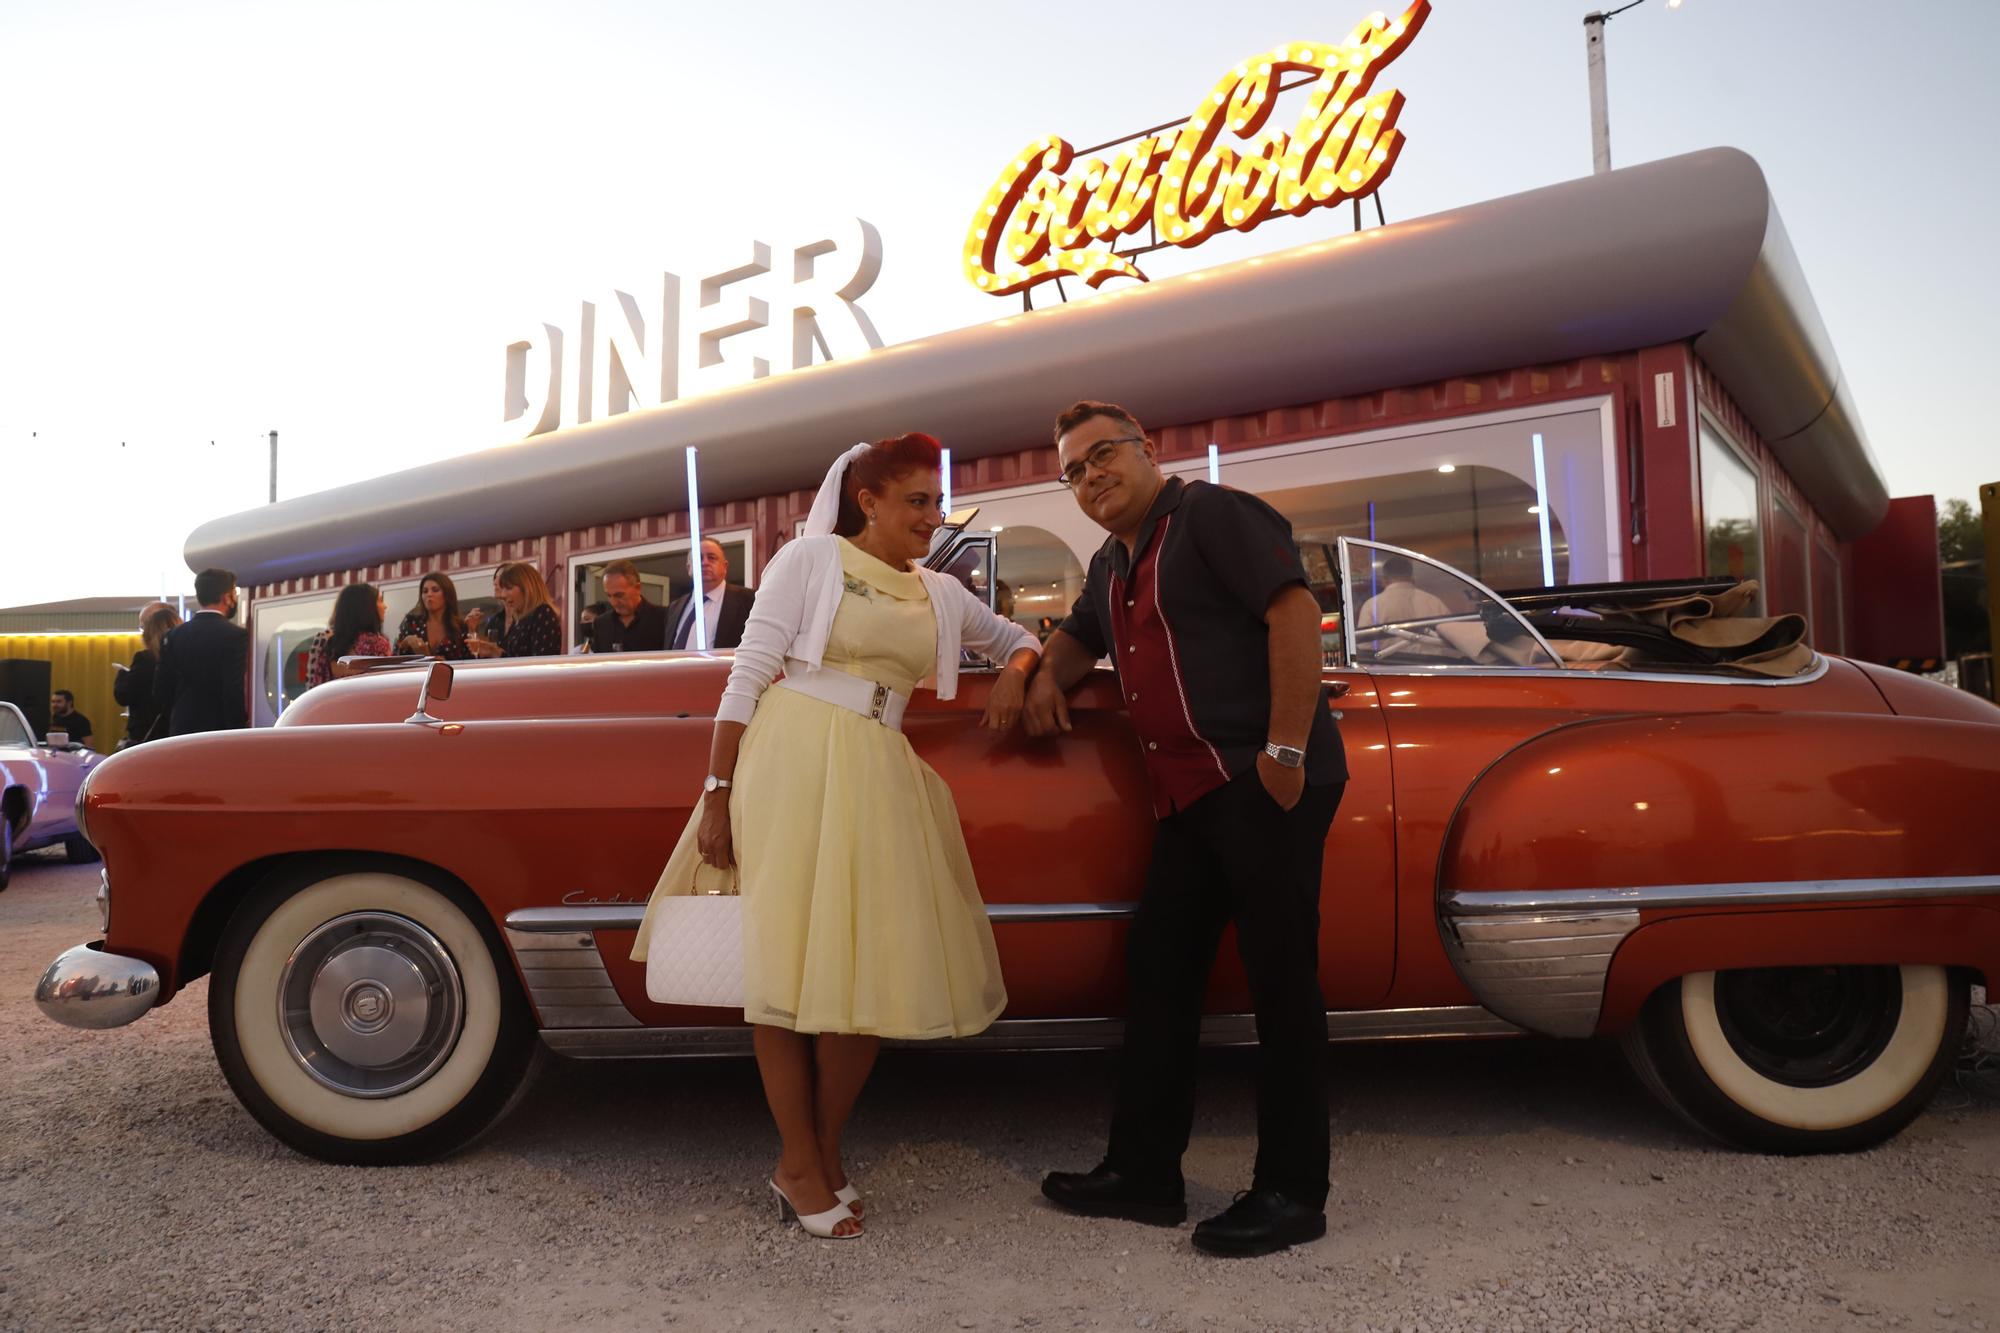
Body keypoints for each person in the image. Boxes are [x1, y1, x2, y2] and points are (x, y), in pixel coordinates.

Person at [631, 433, 1040, 1241]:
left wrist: (1021, 676)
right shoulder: (811, 559)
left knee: (869, 969)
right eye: (917, 500)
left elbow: (1017, 640)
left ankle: (814, 1154)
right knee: (783, 966)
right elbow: (747, 672)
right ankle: (801, 1159)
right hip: (789, 760)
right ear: (870, 500)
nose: (932, 516)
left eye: (936, 501)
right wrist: (716, 792)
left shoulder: (939, 590)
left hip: (880, 773)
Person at [1029, 402, 1347, 1259]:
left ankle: (1292, 1192)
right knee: (1160, 971)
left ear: (1146, 450)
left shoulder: (1212, 514)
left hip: (1261, 780)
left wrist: (1282, 751)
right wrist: (1036, 671)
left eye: (1103, 454)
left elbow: (1292, 613)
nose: (1091, 474)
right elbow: (1078, 637)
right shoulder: (1111, 561)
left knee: (1283, 986)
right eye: (1073, 469)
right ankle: (1143, 1175)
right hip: (1191, 798)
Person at [155, 567, 251, 736]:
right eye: (234, 593)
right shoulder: (236, 635)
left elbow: (162, 687)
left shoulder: (174, 635)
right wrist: (238, 728)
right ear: (226, 597)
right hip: (219, 729)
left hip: (181, 726)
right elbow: (232, 688)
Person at [664, 538, 756, 650]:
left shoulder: (749, 601)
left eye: (712, 558)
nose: (705, 563)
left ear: (725, 567)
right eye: (699, 558)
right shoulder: (675, 608)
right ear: (689, 569)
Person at [306, 584, 396, 689]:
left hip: (330, 704)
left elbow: (312, 687)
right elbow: (385, 686)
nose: (385, 606)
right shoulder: (378, 644)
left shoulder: (323, 640)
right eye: (380, 600)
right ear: (366, 608)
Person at [465, 562, 562, 659]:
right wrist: (492, 651)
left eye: (508, 588)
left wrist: (495, 653)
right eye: (502, 589)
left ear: (527, 588)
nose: (503, 595)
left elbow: (541, 664)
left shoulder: (542, 613)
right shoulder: (520, 620)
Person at [115, 602, 180, 745]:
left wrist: (122, 675)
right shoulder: (187, 656)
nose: (143, 631)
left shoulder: (145, 658)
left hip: (147, 735)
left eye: (144, 625)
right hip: (179, 732)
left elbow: (124, 695)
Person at [589, 559, 669, 653]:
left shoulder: (664, 618)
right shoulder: (601, 624)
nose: (613, 602)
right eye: (609, 595)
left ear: (638, 588)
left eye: (619, 595)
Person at [395, 572, 473, 660]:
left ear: (447, 594)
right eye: (425, 591)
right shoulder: (412, 621)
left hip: (451, 673)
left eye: (435, 590)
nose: (429, 594)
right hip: (417, 673)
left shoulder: (460, 626)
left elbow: (469, 659)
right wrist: (406, 642)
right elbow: (395, 655)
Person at [1355, 554, 1450, 626]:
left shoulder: (1372, 605)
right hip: (1431, 652)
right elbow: (1452, 635)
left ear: (1384, 579)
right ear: (1412, 577)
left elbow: (1364, 645)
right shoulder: (1434, 602)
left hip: (1385, 653)